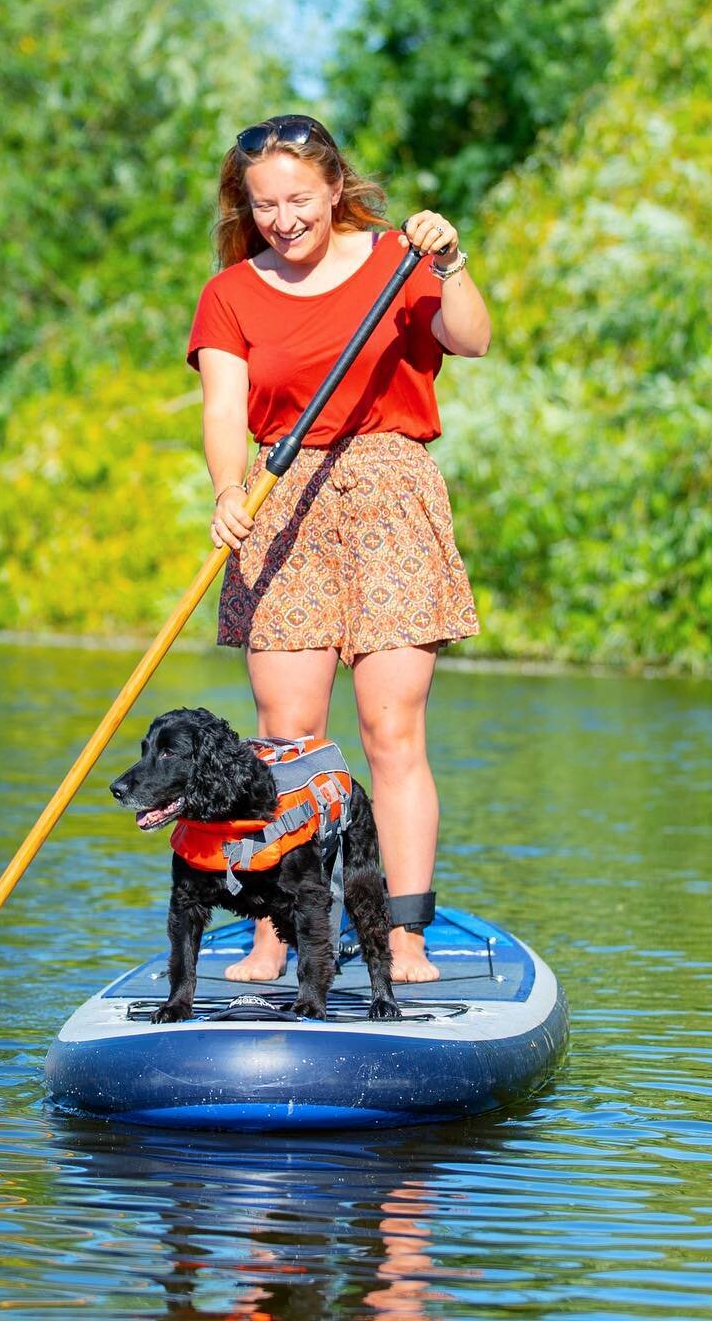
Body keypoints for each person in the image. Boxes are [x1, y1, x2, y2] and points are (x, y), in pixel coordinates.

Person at [186, 113, 491, 983]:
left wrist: (449, 262)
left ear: (333, 188)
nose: (284, 218)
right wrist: (225, 488)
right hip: (282, 502)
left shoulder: (401, 258)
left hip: (391, 491)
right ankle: (276, 935)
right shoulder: (232, 293)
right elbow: (221, 407)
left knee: (391, 729)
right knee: (287, 737)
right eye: (265, 204)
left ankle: (403, 937)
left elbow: (470, 338)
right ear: (246, 207)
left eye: (298, 199)